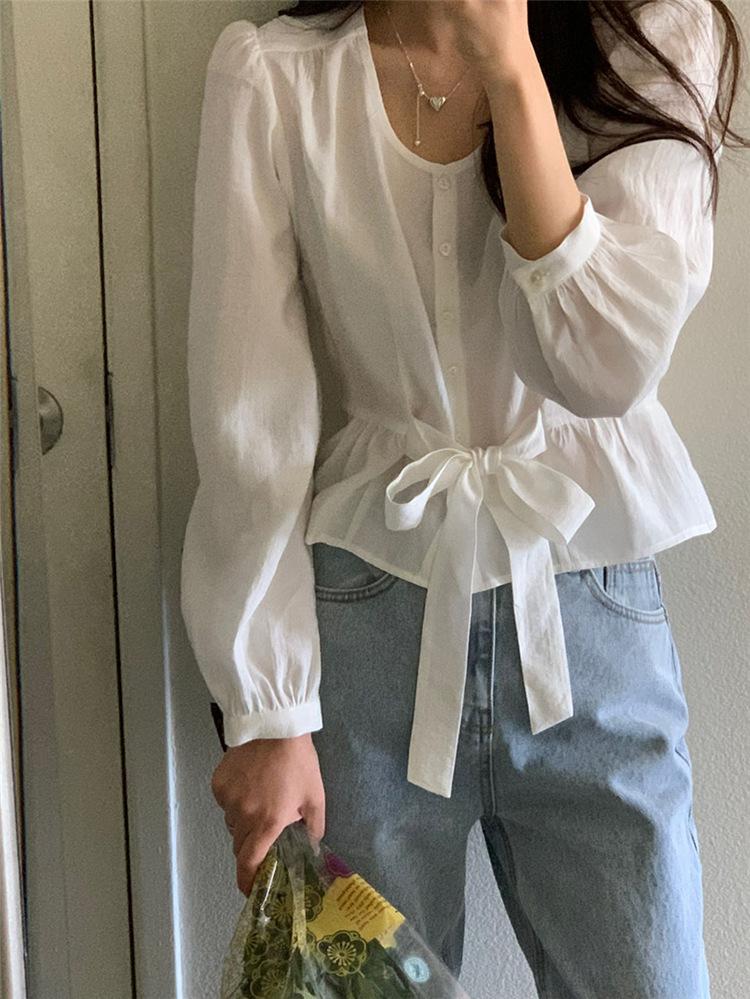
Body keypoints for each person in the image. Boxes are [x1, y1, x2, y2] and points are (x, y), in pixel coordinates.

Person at [180, 1, 747, 993]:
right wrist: (266, 710)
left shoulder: (651, 40)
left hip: (587, 616)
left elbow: (604, 369)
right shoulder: (278, 75)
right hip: (368, 624)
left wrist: (509, 64)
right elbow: (250, 415)